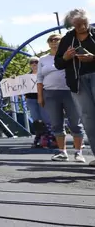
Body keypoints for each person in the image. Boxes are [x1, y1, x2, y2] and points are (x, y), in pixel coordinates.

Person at [54, 9, 95, 166]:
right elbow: (58, 63)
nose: (82, 27)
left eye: (83, 23)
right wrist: (65, 57)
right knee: (88, 118)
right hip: (77, 82)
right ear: (71, 25)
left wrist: (93, 58)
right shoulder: (67, 39)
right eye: (77, 25)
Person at [38, 33, 85, 162]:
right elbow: (39, 79)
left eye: (57, 39)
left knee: (75, 123)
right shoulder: (43, 59)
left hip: (70, 92)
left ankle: (78, 152)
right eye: (50, 40)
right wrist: (40, 96)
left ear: (62, 41)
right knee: (56, 123)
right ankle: (62, 152)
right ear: (48, 43)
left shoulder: (70, 55)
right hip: (51, 93)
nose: (54, 42)